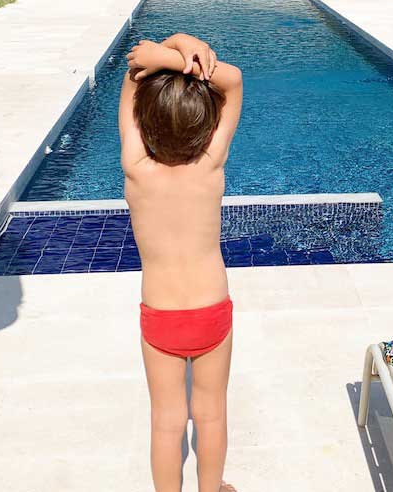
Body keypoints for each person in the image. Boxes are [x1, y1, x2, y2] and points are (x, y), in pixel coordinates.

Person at [120, 32, 243, 492]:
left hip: (161, 316)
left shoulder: (136, 168)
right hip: (212, 311)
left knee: (166, 421)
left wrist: (161, 51)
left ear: (143, 121)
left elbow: (132, 74)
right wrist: (182, 49)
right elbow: (232, 81)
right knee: (210, 413)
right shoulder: (211, 164)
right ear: (207, 126)